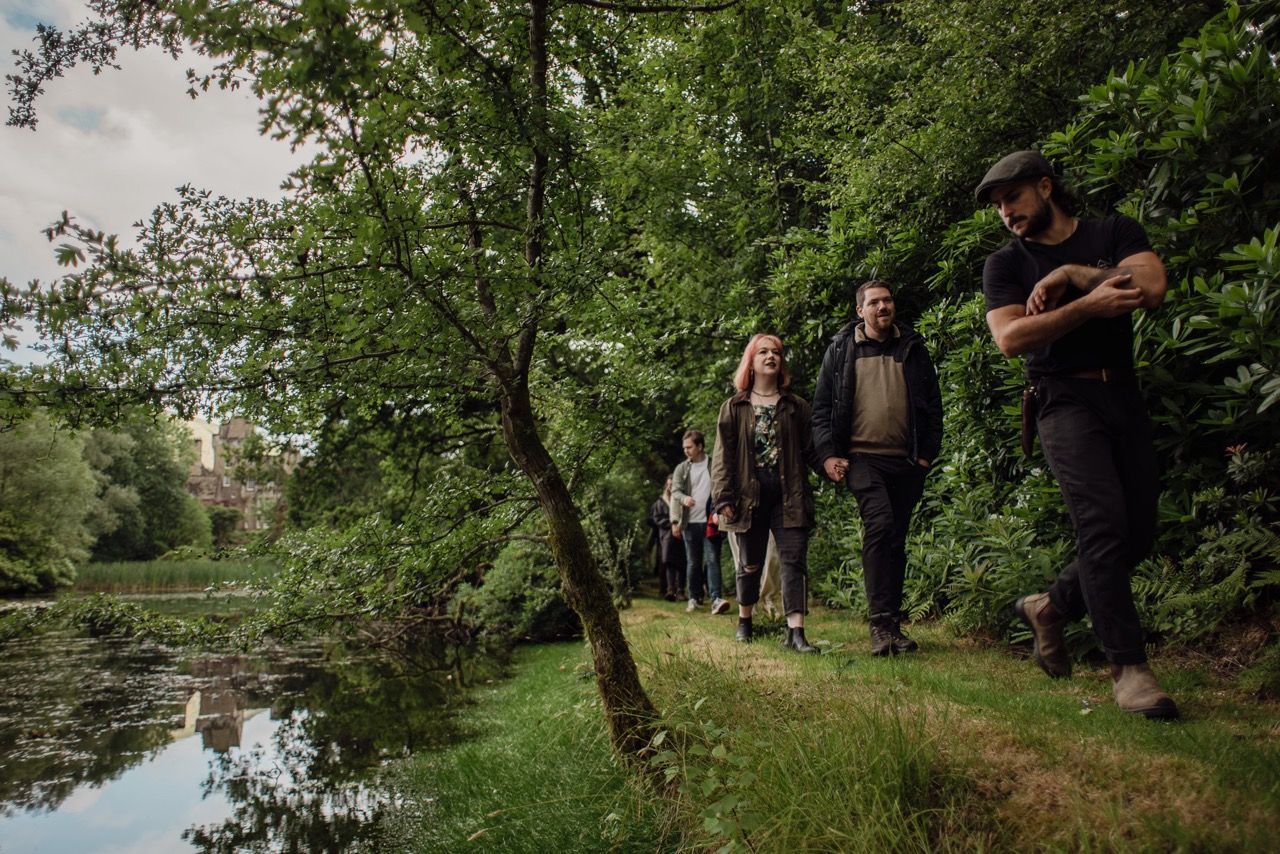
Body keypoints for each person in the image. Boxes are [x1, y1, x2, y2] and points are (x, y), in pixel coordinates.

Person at [975, 149, 1177, 719]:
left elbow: (1151, 287)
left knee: (1137, 533)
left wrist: (1072, 274)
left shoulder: (1113, 230)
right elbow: (1012, 339)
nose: (1005, 212)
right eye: (997, 205)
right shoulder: (1006, 264)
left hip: (1123, 394)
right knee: (1103, 525)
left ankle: (1049, 606)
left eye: (1012, 197)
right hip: (1061, 399)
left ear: (1045, 187)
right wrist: (1091, 303)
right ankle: (1129, 669)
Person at [812, 280, 943, 656]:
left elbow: (932, 406)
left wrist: (925, 456)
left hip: (906, 459)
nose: (883, 307)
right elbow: (822, 409)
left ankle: (893, 626)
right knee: (880, 524)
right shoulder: (841, 350)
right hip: (861, 459)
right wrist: (827, 455)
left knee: (896, 539)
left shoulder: (913, 347)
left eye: (888, 300)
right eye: (875, 302)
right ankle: (879, 625)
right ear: (860, 310)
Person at [711, 333, 821, 652]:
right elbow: (723, 457)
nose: (771, 356)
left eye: (776, 352)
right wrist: (723, 498)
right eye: (763, 352)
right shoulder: (733, 407)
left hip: (790, 494)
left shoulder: (795, 406)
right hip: (748, 495)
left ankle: (796, 633)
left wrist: (832, 465)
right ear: (751, 361)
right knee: (750, 563)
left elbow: (811, 450)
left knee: (793, 561)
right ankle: (746, 620)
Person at [671, 430, 731, 615]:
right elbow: (675, 491)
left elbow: (724, 487)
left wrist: (719, 510)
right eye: (684, 448)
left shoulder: (714, 464)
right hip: (690, 522)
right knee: (693, 562)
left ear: (700, 446)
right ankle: (693, 598)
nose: (686, 451)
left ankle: (715, 599)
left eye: (689, 447)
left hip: (711, 522)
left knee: (713, 560)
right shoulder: (682, 468)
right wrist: (683, 500)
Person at [648, 476, 682, 601]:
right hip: (665, 536)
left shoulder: (680, 499)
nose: (670, 487)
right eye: (668, 484)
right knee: (667, 563)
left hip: (680, 535)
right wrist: (671, 524)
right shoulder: (660, 502)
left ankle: (680, 590)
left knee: (681, 563)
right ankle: (669, 589)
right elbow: (656, 519)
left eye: (672, 485)